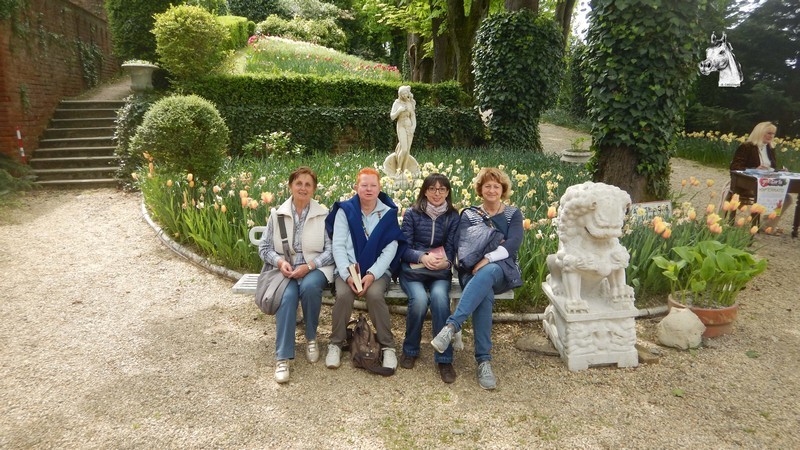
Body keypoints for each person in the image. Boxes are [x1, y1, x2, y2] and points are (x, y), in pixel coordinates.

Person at [430, 167, 523, 390]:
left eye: (496, 186)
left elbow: (512, 244)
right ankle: (484, 361)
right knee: (484, 292)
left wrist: (488, 258)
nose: (492, 190)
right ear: (480, 189)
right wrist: (495, 246)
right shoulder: (469, 215)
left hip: (502, 271)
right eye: (487, 186)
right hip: (470, 271)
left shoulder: (513, 214)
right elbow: (465, 246)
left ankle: (451, 326)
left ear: (503, 190)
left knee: (488, 272)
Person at [324, 168, 407, 371]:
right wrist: (347, 275)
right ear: (356, 187)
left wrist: (372, 274)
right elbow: (338, 245)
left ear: (379, 188)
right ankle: (336, 343)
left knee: (374, 295)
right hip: (348, 268)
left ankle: (387, 346)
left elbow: (390, 249)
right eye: (364, 185)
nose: (368, 189)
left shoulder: (387, 213)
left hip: (377, 271)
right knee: (344, 295)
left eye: (373, 185)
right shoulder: (345, 211)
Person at [258, 166, 335, 384]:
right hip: (285, 270)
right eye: (298, 183)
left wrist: (310, 266)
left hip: (315, 269)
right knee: (288, 295)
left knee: (310, 287)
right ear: (290, 186)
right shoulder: (277, 215)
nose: (303, 188)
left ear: (314, 189)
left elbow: (331, 250)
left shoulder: (323, 215)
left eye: (308, 184)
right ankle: (282, 357)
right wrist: (280, 262)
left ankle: (311, 337)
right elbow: (264, 248)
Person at [398, 174, 460, 383]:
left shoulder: (452, 216)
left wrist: (447, 263)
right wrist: (422, 257)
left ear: (447, 192)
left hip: (439, 272)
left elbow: (451, 247)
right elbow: (404, 247)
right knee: (419, 301)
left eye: (442, 189)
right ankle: (410, 350)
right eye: (432, 189)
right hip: (413, 271)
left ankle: (444, 358)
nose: (437, 193)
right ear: (425, 191)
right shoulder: (412, 213)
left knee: (440, 299)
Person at [730, 121, 794, 232]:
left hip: (767, 183)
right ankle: (756, 226)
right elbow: (734, 167)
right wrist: (754, 169)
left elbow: (770, 168)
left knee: (787, 198)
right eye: (768, 133)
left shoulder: (770, 148)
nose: (771, 136)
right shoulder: (746, 147)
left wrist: (780, 171)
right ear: (760, 132)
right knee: (762, 194)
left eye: (773, 134)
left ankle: (768, 224)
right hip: (748, 183)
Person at [383, 85, 419, 176]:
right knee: (404, 149)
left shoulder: (410, 103)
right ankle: (398, 170)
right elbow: (392, 117)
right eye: (402, 94)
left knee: (407, 151)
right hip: (401, 126)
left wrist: (413, 127)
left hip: (409, 126)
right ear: (400, 94)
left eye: (405, 93)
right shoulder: (397, 103)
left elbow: (413, 116)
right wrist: (399, 110)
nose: (404, 95)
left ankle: (404, 170)